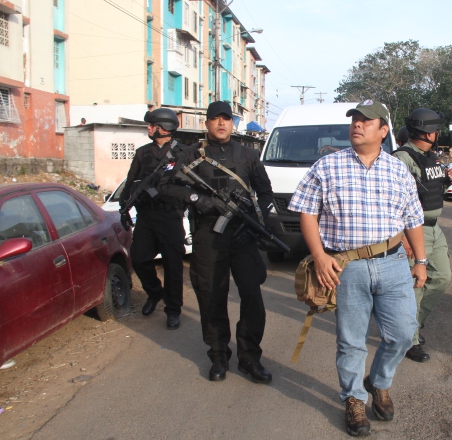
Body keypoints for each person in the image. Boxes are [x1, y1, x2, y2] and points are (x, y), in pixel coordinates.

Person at [288, 100, 427, 437]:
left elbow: (413, 219)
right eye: (355, 120)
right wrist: (320, 256)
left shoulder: (398, 170)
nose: (357, 125)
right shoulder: (327, 166)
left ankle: (378, 382)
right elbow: (307, 211)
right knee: (351, 341)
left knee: (403, 334)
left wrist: (421, 261)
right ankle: (354, 398)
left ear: (383, 131)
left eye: (367, 121)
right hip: (345, 266)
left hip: (393, 264)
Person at [159, 101, 275, 383]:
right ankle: (219, 355)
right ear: (207, 123)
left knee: (251, 296)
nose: (221, 123)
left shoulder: (248, 155)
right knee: (211, 296)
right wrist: (199, 200)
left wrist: (258, 217)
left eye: (226, 119)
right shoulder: (188, 154)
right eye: (216, 119)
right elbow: (165, 186)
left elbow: (265, 190)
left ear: (232, 124)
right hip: (209, 234)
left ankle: (249, 358)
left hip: (243, 234)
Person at [392, 108, 452, 363]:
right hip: (414, 230)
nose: (437, 133)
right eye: (435, 130)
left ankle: (410, 326)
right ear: (425, 131)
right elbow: (394, 201)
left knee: (442, 277)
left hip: (435, 227)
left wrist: (447, 179)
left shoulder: (431, 157)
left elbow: (427, 188)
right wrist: (404, 237)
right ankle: (410, 339)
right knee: (416, 286)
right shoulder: (402, 158)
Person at [120, 107, 186, 330]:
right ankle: (155, 293)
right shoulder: (142, 153)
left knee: (173, 265)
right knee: (138, 258)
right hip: (146, 216)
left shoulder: (182, 153)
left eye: (152, 125)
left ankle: (173, 309)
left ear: (164, 128)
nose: (148, 128)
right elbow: (130, 182)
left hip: (170, 216)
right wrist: (123, 207)